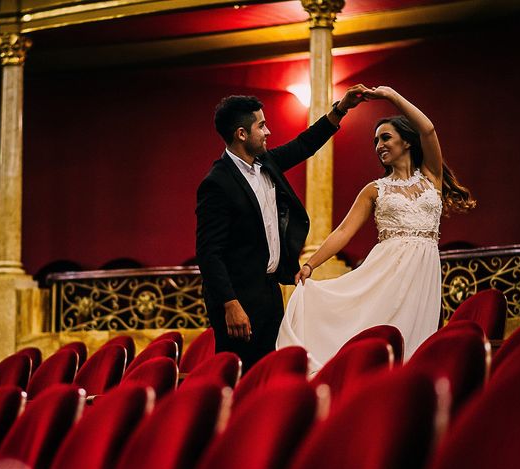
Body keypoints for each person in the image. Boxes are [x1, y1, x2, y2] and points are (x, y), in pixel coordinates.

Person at [277, 86, 476, 371]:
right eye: (375, 141)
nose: (379, 145)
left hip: (423, 270)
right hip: (385, 272)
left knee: (415, 342)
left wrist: (392, 97)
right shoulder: (374, 190)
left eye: (385, 138)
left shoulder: (431, 176)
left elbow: (428, 130)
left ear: (407, 142)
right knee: (380, 333)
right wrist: (310, 265)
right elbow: (343, 232)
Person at [196, 85, 371, 372]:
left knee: (270, 372)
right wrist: (230, 303)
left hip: (269, 290)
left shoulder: (266, 163)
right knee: (242, 377)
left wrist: (341, 109)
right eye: (261, 126)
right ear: (242, 134)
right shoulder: (217, 183)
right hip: (238, 301)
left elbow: (305, 144)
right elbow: (208, 253)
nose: (268, 132)